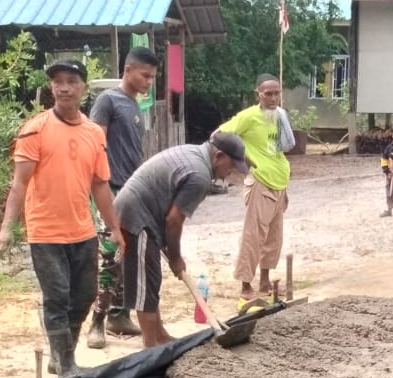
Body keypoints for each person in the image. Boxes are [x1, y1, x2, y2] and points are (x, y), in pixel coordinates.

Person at [0, 59, 122, 377]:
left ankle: (60, 354)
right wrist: (7, 228)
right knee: (57, 297)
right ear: (51, 87)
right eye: (58, 81)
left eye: (71, 80)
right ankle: (66, 366)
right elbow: (19, 183)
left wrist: (116, 229)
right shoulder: (34, 129)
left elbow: (100, 184)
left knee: (84, 296)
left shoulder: (93, 133)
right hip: (46, 232)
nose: (64, 87)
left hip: (82, 229)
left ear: (83, 88)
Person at [114, 133, 250, 347]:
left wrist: (170, 246)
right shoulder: (200, 176)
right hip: (136, 218)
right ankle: (150, 347)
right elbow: (174, 221)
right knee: (145, 287)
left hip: (146, 214)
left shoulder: (195, 153)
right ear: (219, 156)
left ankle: (160, 337)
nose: (230, 173)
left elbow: (170, 214)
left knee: (152, 279)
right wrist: (176, 258)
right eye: (231, 166)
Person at [87, 46, 161, 348]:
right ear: (127, 70)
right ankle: (96, 323)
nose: (148, 82)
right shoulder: (108, 101)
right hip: (110, 190)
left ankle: (120, 315)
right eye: (145, 75)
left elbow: (132, 152)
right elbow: (94, 145)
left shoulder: (134, 106)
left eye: (153, 77)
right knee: (110, 257)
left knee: (128, 256)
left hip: (132, 191)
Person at [220, 74, 295, 306]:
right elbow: (220, 135)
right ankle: (245, 285)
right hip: (260, 183)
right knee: (254, 236)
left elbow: (283, 147)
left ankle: (265, 282)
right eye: (268, 93)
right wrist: (242, 158)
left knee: (274, 238)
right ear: (258, 95)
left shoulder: (279, 116)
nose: (273, 97)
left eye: (277, 93)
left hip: (279, 182)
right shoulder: (249, 116)